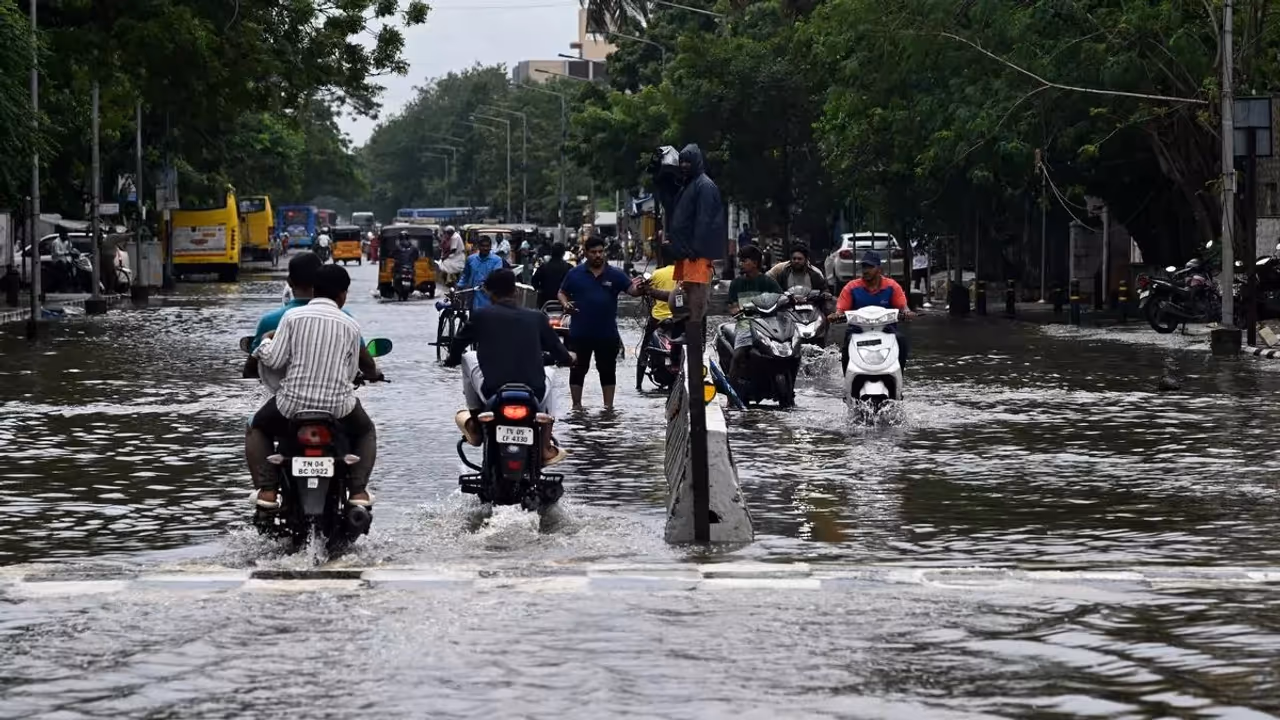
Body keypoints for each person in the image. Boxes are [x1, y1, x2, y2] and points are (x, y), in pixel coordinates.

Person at [250, 265, 383, 510]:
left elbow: (275, 360)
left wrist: (265, 343)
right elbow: (352, 371)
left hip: (291, 406)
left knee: (257, 427)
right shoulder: (350, 325)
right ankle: (358, 491)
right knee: (366, 431)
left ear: (313, 291)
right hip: (339, 407)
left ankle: (268, 491)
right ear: (343, 294)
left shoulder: (290, 318)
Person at [445, 269, 576, 464]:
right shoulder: (537, 317)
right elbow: (560, 354)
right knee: (551, 371)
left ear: (488, 292)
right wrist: (570, 359)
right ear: (515, 291)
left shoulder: (481, 316)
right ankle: (546, 445)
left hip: (492, 391)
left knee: (467, 357)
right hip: (534, 393)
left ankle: (475, 424)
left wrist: (451, 360)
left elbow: (457, 346)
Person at [558, 236, 648, 411]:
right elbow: (562, 292)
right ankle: (576, 407)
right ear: (586, 253)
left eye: (601, 252)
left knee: (607, 371)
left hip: (606, 334)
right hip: (579, 333)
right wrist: (564, 304)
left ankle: (608, 409)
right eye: (594, 252)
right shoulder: (574, 274)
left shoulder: (615, 274)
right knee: (577, 370)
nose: (598, 255)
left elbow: (632, 290)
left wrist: (642, 288)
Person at [828, 250, 914, 375]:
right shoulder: (851, 287)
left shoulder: (892, 286)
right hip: (857, 332)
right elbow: (841, 309)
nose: (865, 270)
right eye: (863, 267)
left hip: (887, 330)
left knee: (901, 341)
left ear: (879, 269)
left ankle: (898, 376)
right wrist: (836, 315)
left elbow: (903, 307)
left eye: (870, 267)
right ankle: (848, 381)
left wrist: (907, 313)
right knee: (847, 347)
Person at [667, 144, 726, 324]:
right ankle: (684, 331)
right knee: (680, 297)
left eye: (688, 162)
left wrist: (696, 247)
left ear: (696, 162)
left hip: (696, 255)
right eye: (682, 161)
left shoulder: (704, 185)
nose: (684, 165)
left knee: (696, 299)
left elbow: (705, 219)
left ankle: (694, 336)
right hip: (685, 252)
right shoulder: (688, 185)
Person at [726, 245, 784, 388]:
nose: (741, 264)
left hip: (767, 324)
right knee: (737, 355)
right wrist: (737, 311)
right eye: (740, 261)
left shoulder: (768, 282)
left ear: (755, 263)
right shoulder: (736, 283)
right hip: (745, 324)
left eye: (744, 261)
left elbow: (780, 297)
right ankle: (731, 393)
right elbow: (731, 306)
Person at [636, 244, 682, 390]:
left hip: (658, 318)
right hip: (678, 318)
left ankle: (638, 384)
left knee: (644, 348)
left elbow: (644, 288)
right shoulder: (683, 275)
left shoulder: (657, 274)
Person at [458, 235, 505, 311]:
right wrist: (459, 286)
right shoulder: (471, 259)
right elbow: (466, 275)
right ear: (478, 246)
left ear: (490, 247)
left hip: (489, 296)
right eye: (483, 246)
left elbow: (496, 276)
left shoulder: (497, 260)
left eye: (487, 246)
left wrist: (486, 284)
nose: (485, 248)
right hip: (472, 295)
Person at [532, 242, 571, 309]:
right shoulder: (569, 268)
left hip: (545, 302)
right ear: (563, 253)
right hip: (564, 303)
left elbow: (534, 281)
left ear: (551, 252)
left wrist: (540, 289)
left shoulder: (543, 267)